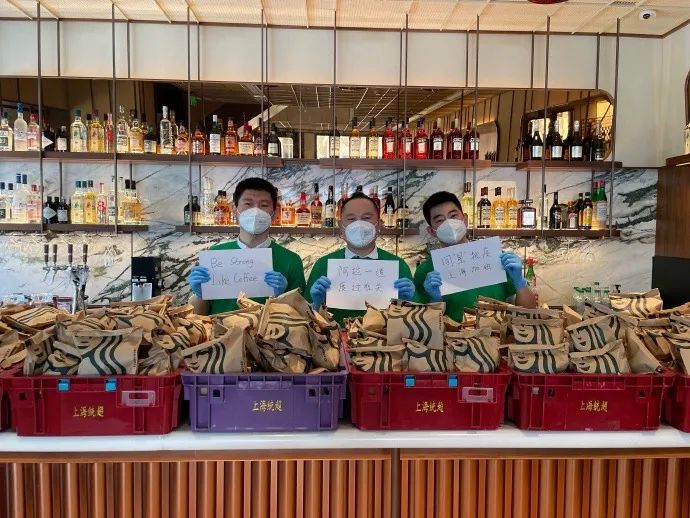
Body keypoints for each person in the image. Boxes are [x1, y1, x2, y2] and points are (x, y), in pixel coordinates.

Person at [187, 177, 305, 315]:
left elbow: (301, 318)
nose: (256, 211)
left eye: (264, 205)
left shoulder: (291, 260)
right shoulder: (214, 255)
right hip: (219, 329)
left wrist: (283, 297)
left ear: (275, 213)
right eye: (248, 204)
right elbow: (198, 317)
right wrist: (200, 294)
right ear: (234, 209)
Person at [414, 191, 537, 321]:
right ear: (431, 231)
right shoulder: (425, 271)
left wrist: (519, 281)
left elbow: (529, 313)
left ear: (465, 220)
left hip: (496, 332)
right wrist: (434, 299)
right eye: (440, 220)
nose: (449, 223)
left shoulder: (495, 258)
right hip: (451, 334)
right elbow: (422, 324)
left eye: (453, 216)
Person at [305, 192, 416, 325]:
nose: (359, 224)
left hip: (384, 337)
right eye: (351, 219)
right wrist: (316, 302)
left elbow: (413, 321)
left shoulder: (398, 265)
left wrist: (407, 302)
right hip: (335, 337)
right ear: (341, 226)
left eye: (366, 218)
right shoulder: (323, 264)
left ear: (379, 224)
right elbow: (306, 320)